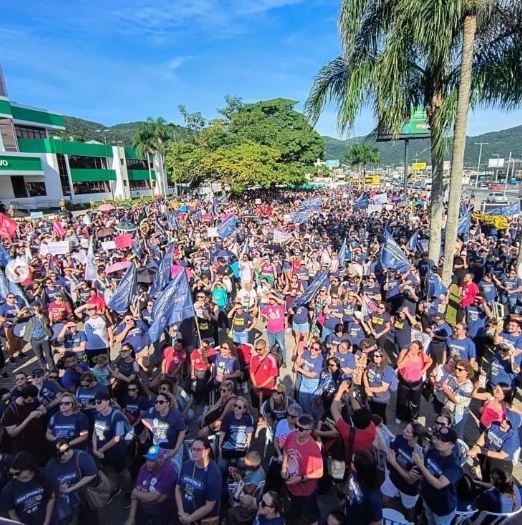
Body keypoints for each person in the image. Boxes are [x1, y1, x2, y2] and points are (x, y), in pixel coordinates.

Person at [414, 426, 462, 525]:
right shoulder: (433, 450)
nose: (439, 442)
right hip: (428, 500)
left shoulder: (453, 466)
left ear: (451, 445)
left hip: (443, 507)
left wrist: (421, 465)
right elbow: (426, 469)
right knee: (430, 520)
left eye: (443, 440)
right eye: (438, 438)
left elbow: (439, 484)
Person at [281, 414, 323, 525]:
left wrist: (301, 478)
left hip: (306, 491)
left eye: (300, 429)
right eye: (296, 426)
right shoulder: (291, 436)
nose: (296, 430)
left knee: (311, 515)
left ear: (309, 431)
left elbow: (320, 472)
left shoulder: (313, 449)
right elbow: (286, 450)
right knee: (294, 505)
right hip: (291, 485)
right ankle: (295, 515)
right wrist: (284, 467)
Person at [44, 439, 98, 525]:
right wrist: (58, 489)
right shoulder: (51, 465)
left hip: (83, 500)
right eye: (61, 453)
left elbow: (92, 474)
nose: (66, 453)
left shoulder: (82, 457)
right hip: (64, 505)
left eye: (67, 449)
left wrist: (72, 488)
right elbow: (48, 485)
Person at [92, 391, 131, 501]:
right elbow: (95, 432)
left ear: (107, 401)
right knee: (109, 470)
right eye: (95, 402)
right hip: (101, 450)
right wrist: (95, 449)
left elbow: (117, 438)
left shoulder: (116, 415)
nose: (96, 405)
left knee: (122, 471)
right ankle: (115, 488)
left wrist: (101, 450)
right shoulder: (98, 414)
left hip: (115, 450)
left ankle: (128, 492)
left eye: (99, 402)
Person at [382, 423, 425, 521]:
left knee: (409, 510)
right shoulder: (399, 439)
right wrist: (406, 472)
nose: (403, 431)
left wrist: (394, 463)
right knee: (382, 499)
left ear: (415, 437)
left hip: (408, 490)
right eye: (405, 428)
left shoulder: (420, 456)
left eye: (408, 431)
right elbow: (389, 455)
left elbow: (410, 480)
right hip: (393, 479)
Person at [125, 445, 177, 525]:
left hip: (161, 511)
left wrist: (137, 494)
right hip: (144, 508)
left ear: (160, 460)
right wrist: (131, 517)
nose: (148, 463)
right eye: (147, 459)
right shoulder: (144, 468)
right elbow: (134, 496)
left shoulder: (168, 472)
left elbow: (158, 498)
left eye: (152, 460)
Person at [0, 451, 55, 525]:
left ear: (28, 469)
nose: (14, 476)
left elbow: (51, 497)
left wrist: (46, 522)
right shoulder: (8, 490)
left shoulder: (43, 475)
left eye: (17, 473)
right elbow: (12, 513)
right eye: (12, 473)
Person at [175, 438, 222, 525]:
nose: (194, 452)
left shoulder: (214, 473)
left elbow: (209, 506)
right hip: (184, 515)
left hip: (201, 520)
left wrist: (189, 519)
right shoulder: (186, 466)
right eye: (193, 449)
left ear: (207, 451)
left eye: (198, 449)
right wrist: (181, 512)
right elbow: (178, 488)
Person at [468, 411, 521, 482]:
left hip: (501, 463)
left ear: (512, 426)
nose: (504, 421)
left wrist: (481, 451)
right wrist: (477, 447)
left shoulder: (513, 438)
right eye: (504, 418)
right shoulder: (495, 424)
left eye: (507, 422)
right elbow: (485, 435)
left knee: (495, 482)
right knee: (485, 474)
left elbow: (502, 455)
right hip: (487, 454)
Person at [1, 384, 48, 462]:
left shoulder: (33, 399)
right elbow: (12, 433)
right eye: (29, 400)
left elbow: (44, 410)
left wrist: (40, 413)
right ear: (23, 396)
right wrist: (29, 418)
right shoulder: (10, 411)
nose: (32, 401)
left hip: (41, 438)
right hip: (27, 445)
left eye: (33, 399)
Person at [141, 392, 186, 470]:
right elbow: (142, 417)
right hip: (158, 447)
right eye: (156, 402)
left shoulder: (176, 415)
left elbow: (182, 432)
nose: (157, 404)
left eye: (161, 402)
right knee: (158, 470)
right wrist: (151, 429)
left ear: (168, 403)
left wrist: (175, 450)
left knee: (173, 471)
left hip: (172, 447)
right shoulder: (153, 411)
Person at [395, 340, 433, 423]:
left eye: (414, 347)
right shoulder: (405, 352)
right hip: (404, 381)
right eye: (411, 346)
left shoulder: (422, 356)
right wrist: (407, 357)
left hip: (416, 383)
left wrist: (423, 370)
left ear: (419, 350)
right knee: (402, 400)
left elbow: (430, 361)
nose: (411, 348)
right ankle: (400, 416)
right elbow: (400, 365)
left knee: (415, 401)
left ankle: (414, 417)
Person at [345, 450, 383, 525]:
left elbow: (377, 521)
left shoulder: (373, 496)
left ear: (359, 468)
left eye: (352, 461)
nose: (350, 462)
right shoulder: (353, 475)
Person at [218, 396, 254, 471]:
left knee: (242, 465)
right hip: (228, 446)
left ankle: (237, 478)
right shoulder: (228, 416)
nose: (236, 408)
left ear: (244, 409)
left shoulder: (247, 419)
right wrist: (219, 446)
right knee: (222, 466)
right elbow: (223, 432)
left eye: (239, 407)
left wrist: (247, 448)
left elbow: (249, 435)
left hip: (240, 448)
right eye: (235, 405)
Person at [362, 351, 395, 423]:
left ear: (382, 357)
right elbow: (365, 374)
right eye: (374, 355)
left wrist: (369, 389)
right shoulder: (372, 363)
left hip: (380, 398)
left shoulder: (387, 370)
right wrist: (367, 387)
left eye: (377, 356)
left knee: (380, 415)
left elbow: (383, 388)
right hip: (369, 393)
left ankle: (382, 427)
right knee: (371, 411)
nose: (374, 357)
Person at [249, 339, 279, 409]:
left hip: (266, 390)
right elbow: (251, 372)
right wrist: (255, 385)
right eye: (256, 349)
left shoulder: (271, 359)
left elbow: (272, 376)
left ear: (265, 348)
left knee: (266, 408)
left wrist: (261, 386)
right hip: (255, 388)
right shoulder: (253, 357)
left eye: (260, 349)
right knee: (257, 407)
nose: (257, 351)